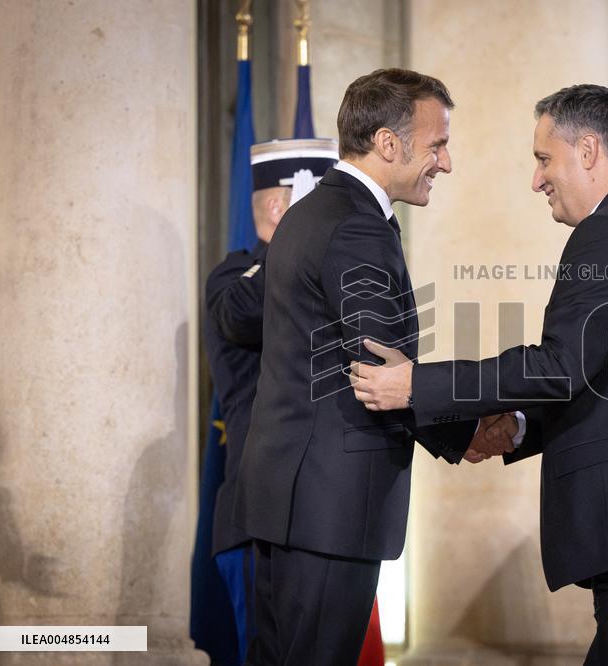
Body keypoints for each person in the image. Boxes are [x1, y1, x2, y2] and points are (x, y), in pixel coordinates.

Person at [351, 84, 608, 664]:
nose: (536, 179)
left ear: (589, 150)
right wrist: (518, 427)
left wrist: (416, 384)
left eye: (544, 159)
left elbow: (561, 366)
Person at [231, 69, 516, 665]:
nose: (446, 162)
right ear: (389, 143)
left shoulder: (312, 214)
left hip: (287, 499)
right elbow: (381, 369)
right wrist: (465, 432)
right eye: (437, 144)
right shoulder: (358, 226)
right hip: (329, 508)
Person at [204, 138, 337, 663]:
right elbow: (240, 314)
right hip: (257, 515)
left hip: (319, 515)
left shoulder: (320, 277)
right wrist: (294, 242)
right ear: (281, 208)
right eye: (316, 200)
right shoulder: (234, 276)